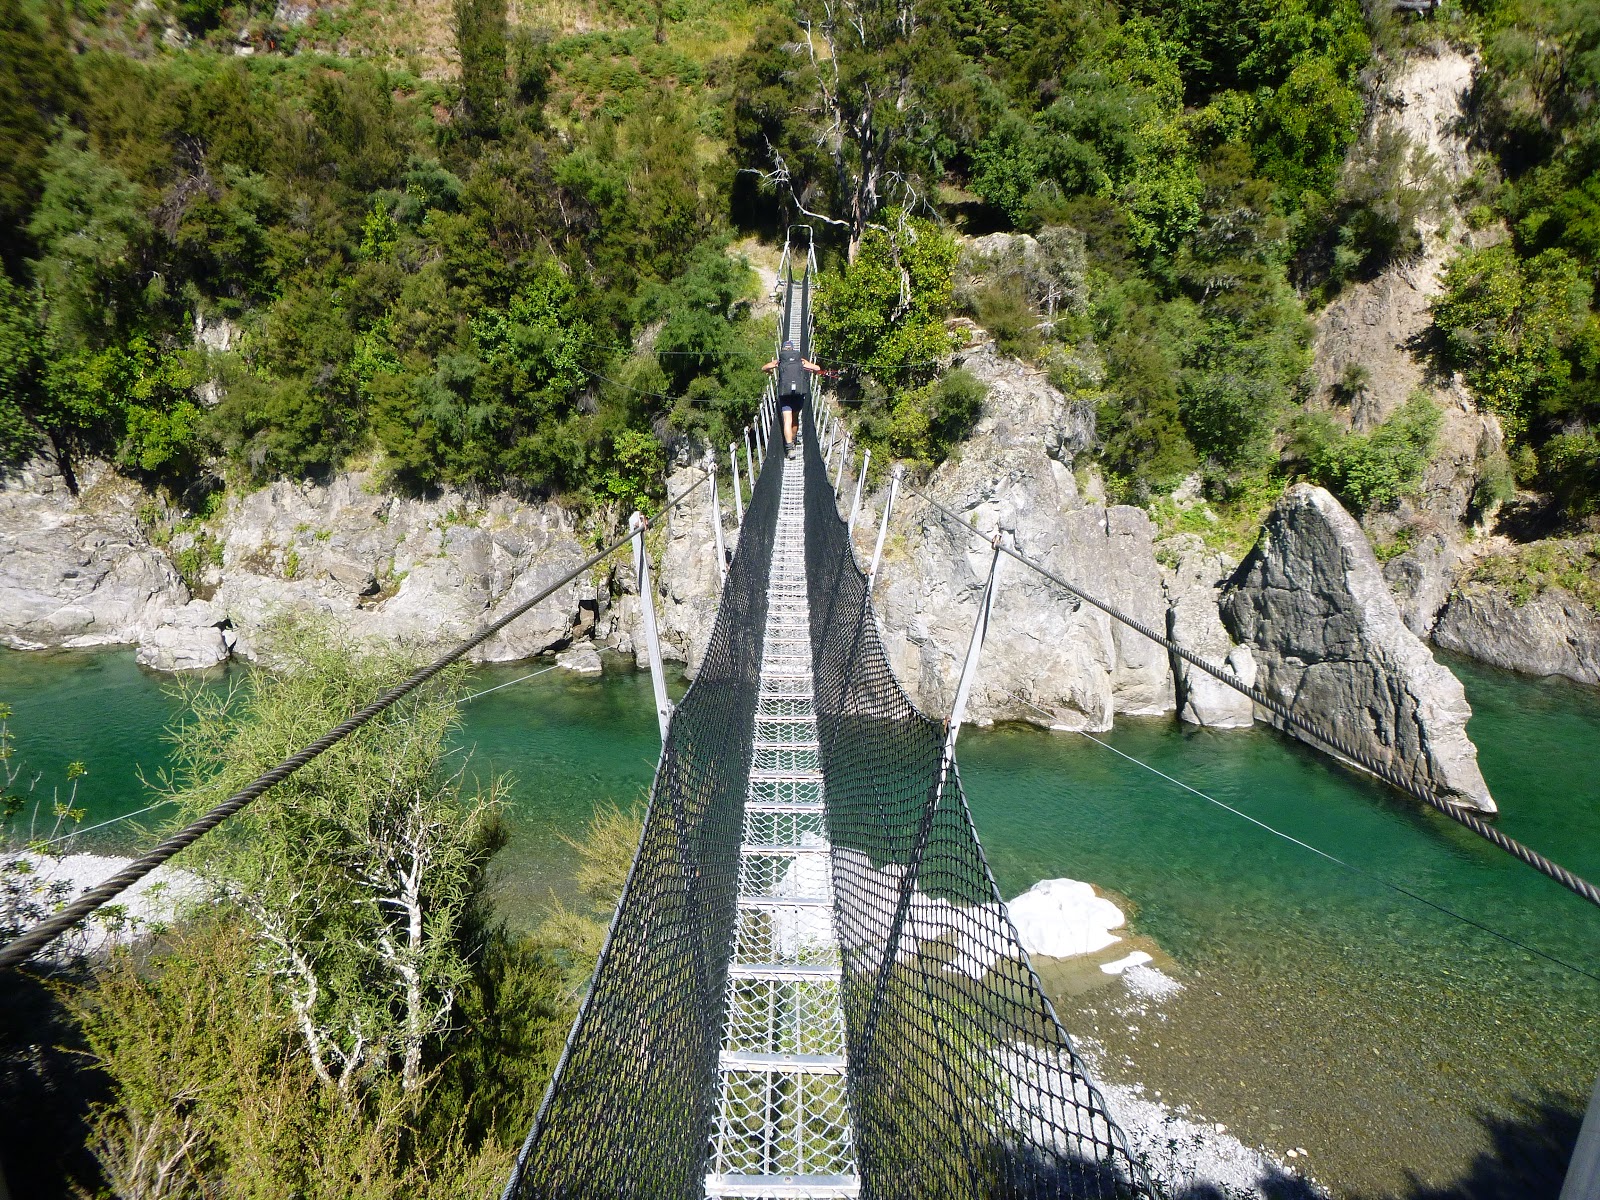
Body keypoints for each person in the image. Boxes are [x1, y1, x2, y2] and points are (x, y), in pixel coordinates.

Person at [762, 340, 824, 458]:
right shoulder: (800, 361)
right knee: (795, 418)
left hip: (784, 394)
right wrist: (814, 371)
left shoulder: (780, 362)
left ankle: (789, 448)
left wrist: (770, 371)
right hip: (798, 394)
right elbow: (817, 367)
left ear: (783, 350)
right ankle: (794, 440)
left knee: (787, 420)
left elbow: (764, 367)